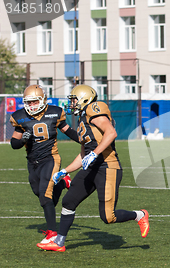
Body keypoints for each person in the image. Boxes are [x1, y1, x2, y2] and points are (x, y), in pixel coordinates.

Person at [36, 84, 149, 252]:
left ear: (85, 99)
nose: (72, 104)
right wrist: (65, 171)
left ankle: (140, 215)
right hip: (92, 169)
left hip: (107, 167)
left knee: (108, 217)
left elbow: (111, 133)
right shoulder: (83, 120)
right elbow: (83, 154)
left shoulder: (94, 109)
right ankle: (59, 242)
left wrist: (95, 154)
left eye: (74, 100)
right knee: (68, 201)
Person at [10, 84, 79, 244]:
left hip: (50, 158)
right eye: (28, 102)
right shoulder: (19, 116)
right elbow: (14, 143)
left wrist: (86, 141)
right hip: (32, 161)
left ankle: (53, 234)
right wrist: (23, 139)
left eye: (34, 102)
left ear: (42, 100)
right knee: (39, 193)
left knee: (45, 195)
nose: (31, 105)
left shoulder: (55, 112)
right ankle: (62, 183)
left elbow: (68, 131)